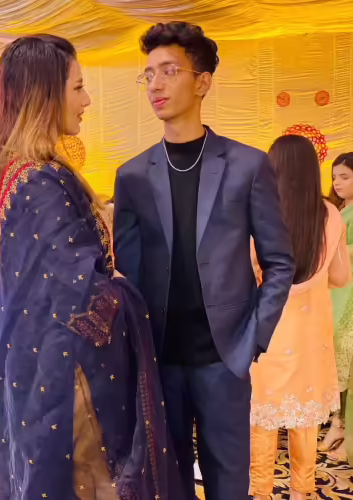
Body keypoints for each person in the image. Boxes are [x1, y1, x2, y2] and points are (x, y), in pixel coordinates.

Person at [0, 35, 183, 500]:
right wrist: (132, 285)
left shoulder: (18, 173)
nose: (87, 100)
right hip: (66, 379)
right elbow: (84, 303)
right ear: (45, 95)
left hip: (39, 365)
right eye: (77, 87)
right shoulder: (41, 181)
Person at [114, 21, 294, 500]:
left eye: (169, 71)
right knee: (165, 485)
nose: (155, 84)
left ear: (203, 82)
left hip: (224, 359)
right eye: (148, 73)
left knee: (229, 484)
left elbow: (280, 262)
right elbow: (129, 275)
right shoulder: (132, 175)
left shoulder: (247, 165)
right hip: (159, 362)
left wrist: (253, 339)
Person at [249, 135, 350, 499]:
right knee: (304, 421)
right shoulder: (331, 215)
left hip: (267, 334)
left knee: (262, 422)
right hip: (311, 337)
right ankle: (302, 492)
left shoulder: (258, 213)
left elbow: (246, 273)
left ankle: (260, 492)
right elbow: (341, 276)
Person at [319, 153, 353, 462]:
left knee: (345, 358)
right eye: (334, 177)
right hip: (333, 291)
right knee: (333, 358)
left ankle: (344, 429)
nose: (337, 182)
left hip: (349, 294)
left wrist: (333, 248)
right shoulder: (338, 209)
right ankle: (336, 422)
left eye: (345, 176)